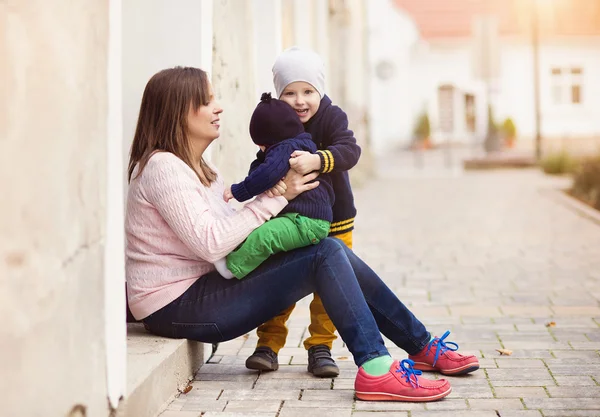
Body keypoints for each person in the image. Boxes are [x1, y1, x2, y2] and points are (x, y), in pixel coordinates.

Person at [125, 66, 480, 403]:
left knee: (328, 248)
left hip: (206, 287)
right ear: (176, 111)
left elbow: (228, 231)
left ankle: (419, 347)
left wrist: (276, 202)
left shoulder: (200, 168)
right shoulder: (162, 168)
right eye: (206, 101)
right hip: (175, 305)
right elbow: (212, 241)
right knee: (325, 253)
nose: (218, 107)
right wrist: (280, 195)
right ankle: (377, 366)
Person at [246, 46, 362, 377]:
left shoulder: (332, 116)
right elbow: (263, 161)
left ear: (319, 90)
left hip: (336, 219)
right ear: (278, 94)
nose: (300, 101)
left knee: (331, 290)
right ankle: (268, 343)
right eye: (290, 93)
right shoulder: (277, 123)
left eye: (308, 91)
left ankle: (321, 347)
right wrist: (267, 184)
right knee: (281, 282)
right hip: (291, 218)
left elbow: (349, 150)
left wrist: (318, 159)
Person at [214, 92, 334, 280]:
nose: (261, 151)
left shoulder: (287, 147)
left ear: (271, 140)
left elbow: (267, 173)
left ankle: (232, 268)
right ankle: (237, 256)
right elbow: (259, 166)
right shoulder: (295, 143)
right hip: (299, 218)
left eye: (262, 147)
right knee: (257, 231)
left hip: (306, 222)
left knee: (265, 236)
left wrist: (238, 191)